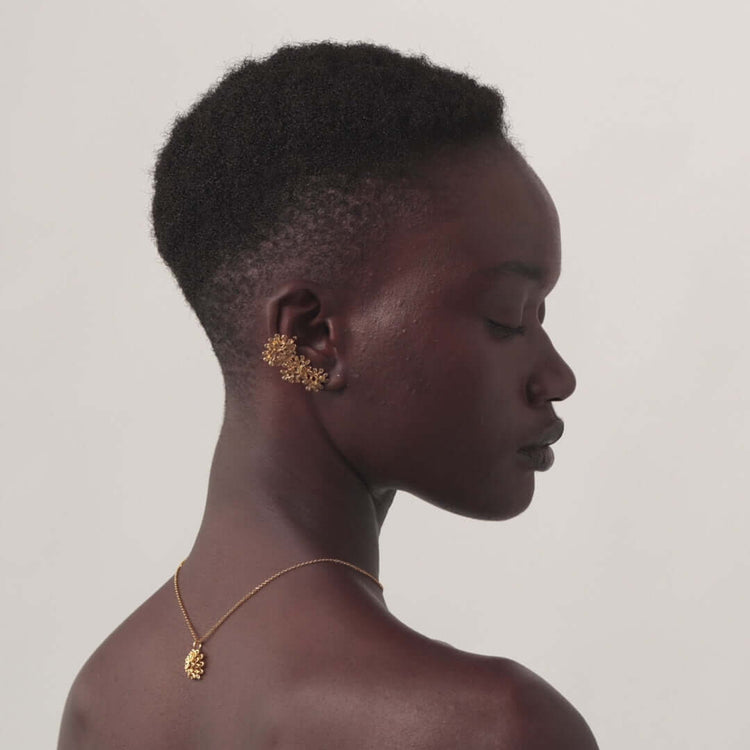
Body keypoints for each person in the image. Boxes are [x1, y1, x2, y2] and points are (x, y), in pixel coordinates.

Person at [58, 40, 598, 749]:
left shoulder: (101, 698)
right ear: (312, 334)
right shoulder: (491, 727)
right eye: (507, 317)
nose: (557, 377)